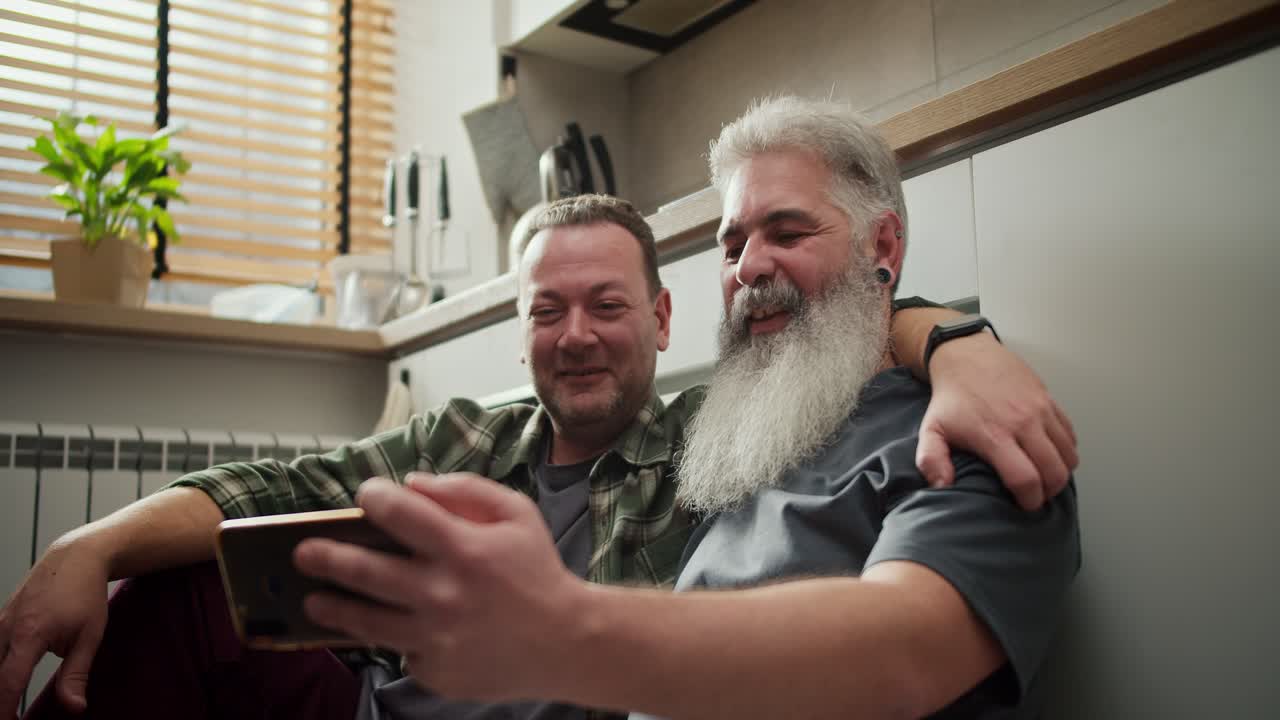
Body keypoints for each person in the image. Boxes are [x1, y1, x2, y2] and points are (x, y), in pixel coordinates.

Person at [2, 191, 1075, 719]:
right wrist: (91, 547)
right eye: (547, 311)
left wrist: (953, 341)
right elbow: (273, 488)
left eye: (607, 306)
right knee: (180, 592)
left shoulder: (716, 443)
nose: (576, 337)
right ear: (518, 333)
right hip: (373, 709)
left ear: (661, 318)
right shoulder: (465, 436)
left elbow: (823, 328)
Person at [295, 97, 1082, 719]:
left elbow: (902, 655)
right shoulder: (732, 442)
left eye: (787, 232)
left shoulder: (975, 432)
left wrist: (563, 629)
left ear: (882, 247)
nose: (749, 267)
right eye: (732, 244)